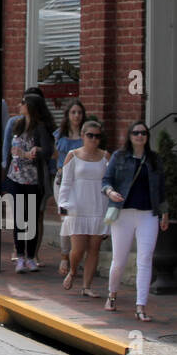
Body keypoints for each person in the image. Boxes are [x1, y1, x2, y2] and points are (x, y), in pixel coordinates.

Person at [102, 121, 169, 321]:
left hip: (148, 214)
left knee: (145, 259)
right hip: (123, 213)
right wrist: (111, 192)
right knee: (119, 260)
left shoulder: (154, 160)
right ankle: (112, 294)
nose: (140, 136)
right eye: (136, 133)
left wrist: (165, 212)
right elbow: (106, 180)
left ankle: (141, 305)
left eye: (143, 133)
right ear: (130, 136)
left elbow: (162, 189)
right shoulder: (119, 157)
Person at [58, 120, 109, 296]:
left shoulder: (105, 157)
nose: (94, 139)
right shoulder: (72, 155)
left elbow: (110, 182)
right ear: (82, 136)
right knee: (78, 249)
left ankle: (87, 286)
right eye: (90, 135)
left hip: (98, 206)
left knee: (94, 249)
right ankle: (73, 271)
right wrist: (63, 205)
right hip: (77, 207)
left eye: (97, 136)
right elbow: (65, 184)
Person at [7, 92, 55, 273]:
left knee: (32, 219)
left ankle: (30, 256)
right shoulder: (17, 124)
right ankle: (19, 256)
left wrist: (34, 152)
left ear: (32, 107)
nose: (20, 105)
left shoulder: (40, 128)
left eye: (23, 103)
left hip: (33, 179)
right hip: (16, 177)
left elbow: (48, 151)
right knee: (20, 218)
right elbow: (10, 149)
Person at [53, 98, 87, 276]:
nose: (76, 116)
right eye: (73, 112)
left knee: (79, 220)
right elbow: (55, 155)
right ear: (67, 115)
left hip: (81, 183)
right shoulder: (59, 134)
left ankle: (77, 257)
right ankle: (64, 257)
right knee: (66, 219)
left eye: (79, 113)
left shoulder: (87, 135)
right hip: (63, 180)